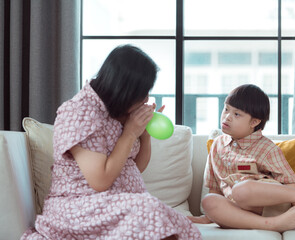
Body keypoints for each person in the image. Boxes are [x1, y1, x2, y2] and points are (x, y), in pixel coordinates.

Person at [21, 45, 201, 240]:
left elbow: (135, 167)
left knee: (176, 223)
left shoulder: (118, 113)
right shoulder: (81, 112)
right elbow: (100, 181)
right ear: (126, 90)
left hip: (116, 204)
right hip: (79, 206)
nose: (147, 99)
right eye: (143, 92)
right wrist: (130, 133)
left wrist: (144, 134)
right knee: (149, 210)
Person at [188, 84, 295, 232]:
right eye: (226, 109)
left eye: (237, 114)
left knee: (241, 190)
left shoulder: (266, 148)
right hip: (239, 211)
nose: (227, 117)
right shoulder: (217, 145)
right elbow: (215, 188)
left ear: (254, 122)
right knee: (209, 201)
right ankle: (273, 224)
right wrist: (209, 216)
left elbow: (290, 182)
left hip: (269, 204)